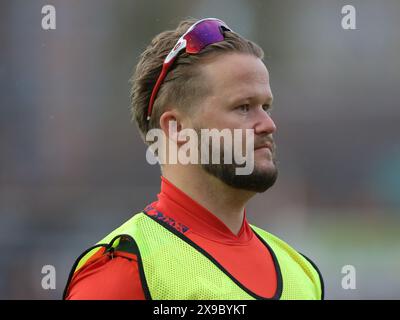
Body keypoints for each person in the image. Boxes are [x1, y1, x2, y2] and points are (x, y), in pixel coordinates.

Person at [63, 17, 324, 300]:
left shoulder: (300, 272)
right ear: (176, 129)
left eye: (266, 107)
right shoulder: (126, 269)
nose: (268, 125)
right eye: (243, 107)